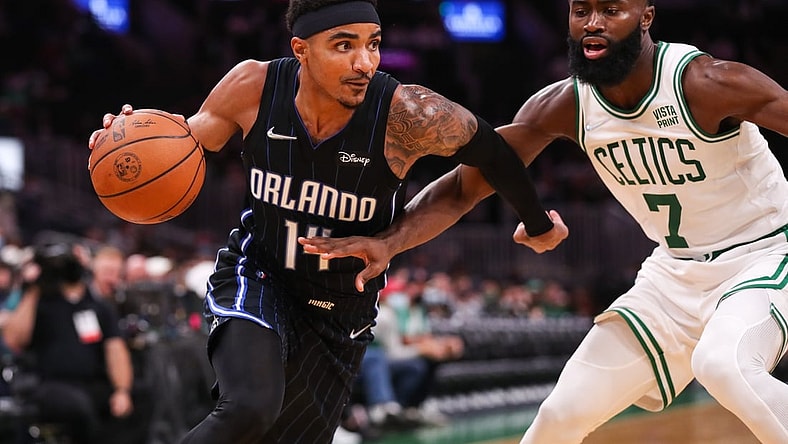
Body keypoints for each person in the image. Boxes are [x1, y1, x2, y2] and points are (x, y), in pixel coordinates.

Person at [300, 0, 788, 442]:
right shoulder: (565, 104)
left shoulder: (706, 83)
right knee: (559, 415)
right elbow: (467, 185)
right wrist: (389, 242)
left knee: (723, 366)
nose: (592, 24)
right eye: (581, 11)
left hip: (764, 253)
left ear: (646, 17)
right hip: (673, 273)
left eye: (611, 11)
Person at [87, 1, 568, 443]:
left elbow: (493, 158)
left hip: (340, 307)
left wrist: (535, 223)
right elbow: (186, 138)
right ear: (302, 50)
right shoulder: (253, 87)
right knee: (248, 407)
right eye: (344, 45)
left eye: (373, 44)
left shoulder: (408, 113)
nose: (365, 63)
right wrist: (128, 136)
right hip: (260, 274)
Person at [1, 241, 140, 444]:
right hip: (48, 383)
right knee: (77, 407)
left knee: (139, 400)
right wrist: (35, 287)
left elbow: (115, 350)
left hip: (92, 383)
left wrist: (122, 390)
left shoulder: (98, 306)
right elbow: (14, 340)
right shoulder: (39, 302)